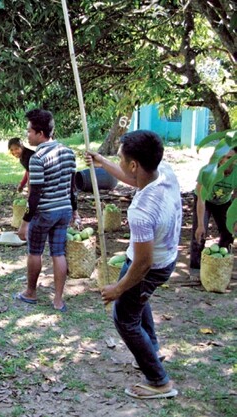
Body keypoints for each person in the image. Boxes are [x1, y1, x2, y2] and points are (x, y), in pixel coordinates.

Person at [85, 130, 181, 399]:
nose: (120, 160)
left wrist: (117, 288)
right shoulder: (165, 172)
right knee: (138, 302)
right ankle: (150, 350)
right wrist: (103, 161)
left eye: (121, 158)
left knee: (124, 318)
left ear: (135, 163)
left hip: (152, 266)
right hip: (166, 259)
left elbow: (142, 263)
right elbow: (134, 178)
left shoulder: (141, 210)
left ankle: (159, 381)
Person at [15, 109, 79, 312]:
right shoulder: (68, 152)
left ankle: (30, 293)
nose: (27, 135)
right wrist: (74, 211)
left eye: (29, 131)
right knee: (58, 253)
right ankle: (58, 300)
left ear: (40, 133)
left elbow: (35, 194)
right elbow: (72, 186)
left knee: (35, 251)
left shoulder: (37, 158)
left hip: (44, 212)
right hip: (64, 211)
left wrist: (25, 222)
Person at [189, 147, 236, 273]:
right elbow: (201, 198)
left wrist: (235, 220)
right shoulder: (207, 171)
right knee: (199, 234)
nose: (225, 160)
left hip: (223, 202)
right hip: (205, 201)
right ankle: (195, 268)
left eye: (229, 157)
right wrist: (200, 224)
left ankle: (220, 262)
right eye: (223, 157)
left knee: (228, 232)